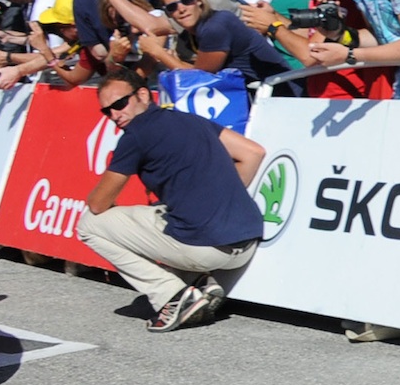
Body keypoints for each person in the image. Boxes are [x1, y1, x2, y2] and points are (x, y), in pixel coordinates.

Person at [76, 70, 268, 334]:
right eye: (106, 111)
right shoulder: (191, 120)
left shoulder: (135, 136)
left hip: (207, 249)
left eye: (120, 104)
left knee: (88, 225)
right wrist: (219, 195)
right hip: (246, 243)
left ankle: (172, 295)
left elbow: (98, 204)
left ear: (143, 94)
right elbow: (253, 152)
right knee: (163, 213)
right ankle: (199, 282)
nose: (114, 115)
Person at [130, 0, 291, 82]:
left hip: (279, 94)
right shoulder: (198, 30)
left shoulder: (215, 26)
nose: (181, 9)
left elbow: (200, 77)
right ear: (169, 14)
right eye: (172, 7)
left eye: (186, 0)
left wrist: (157, 52)